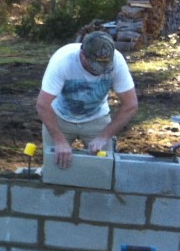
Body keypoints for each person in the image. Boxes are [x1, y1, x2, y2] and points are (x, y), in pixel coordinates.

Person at [35, 31, 138, 169]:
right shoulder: (63, 61)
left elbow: (130, 105)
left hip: (97, 117)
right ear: (82, 55)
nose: (99, 71)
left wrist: (104, 136)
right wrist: (59, 140)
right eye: (95, 66)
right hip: (59, 117)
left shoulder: (117, 62)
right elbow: (42, 104)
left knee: (103, 169)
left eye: (104, 67)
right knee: (54, 168)